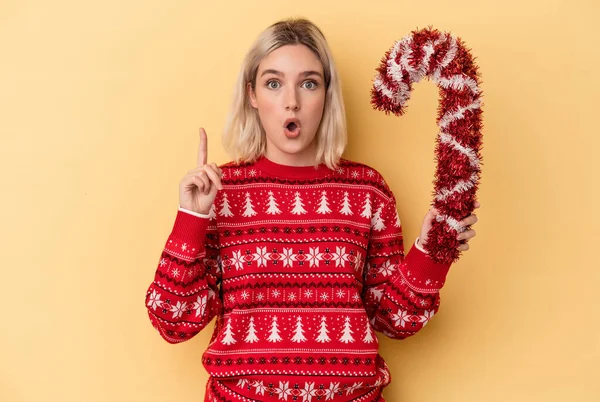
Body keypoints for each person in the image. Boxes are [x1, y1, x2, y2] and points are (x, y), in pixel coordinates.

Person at [145, 17, 479, 402]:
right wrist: (192, 218)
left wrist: (430, 252)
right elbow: (173, 322)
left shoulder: (367, 191)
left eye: (308, 83)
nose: (292, 101)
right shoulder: (220, 191)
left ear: (326, 94)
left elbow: (392, 320)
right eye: (274, 83)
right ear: (252, 94)